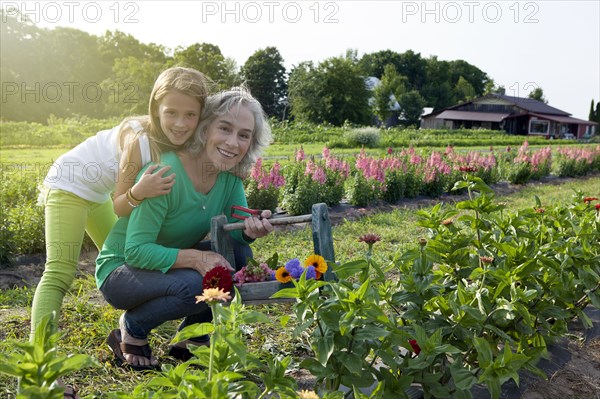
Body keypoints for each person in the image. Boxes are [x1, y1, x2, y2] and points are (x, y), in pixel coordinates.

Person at [96, 87, 274, 370]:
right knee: (205, 282)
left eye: (244, 134)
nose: (233, 142)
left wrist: (251, 229)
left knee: (239, 254)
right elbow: (135, 251)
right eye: (224, 128)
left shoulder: (229, 180)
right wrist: (197, 258)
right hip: (122, 272)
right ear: (204, 129)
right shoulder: (164, 175)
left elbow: (235, 234)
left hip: (160, 263)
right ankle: (133, 328)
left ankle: (190, 338)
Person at [30, 66, 210, 343]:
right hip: (69, 182)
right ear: (155, 109)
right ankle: (38, 372)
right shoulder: (138, 140)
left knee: (125, 263)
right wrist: (139, 192)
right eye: (171, 113)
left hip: (96, 193)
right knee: (59, 273)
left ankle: (132, 327)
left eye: (190, 115)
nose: (180, 123)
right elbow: (121, 205)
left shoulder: (180, 142)